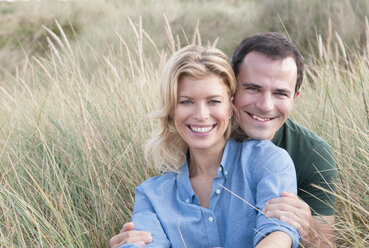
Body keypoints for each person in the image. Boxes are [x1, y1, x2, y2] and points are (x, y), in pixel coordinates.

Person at [110, 33, 337, 247]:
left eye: (213, 101)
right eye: (186, 101)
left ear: (228, 105)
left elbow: (283, 233)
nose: (201, 115)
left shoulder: (282, 158)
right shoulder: (153, 194)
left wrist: (308, 233)